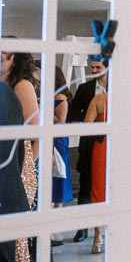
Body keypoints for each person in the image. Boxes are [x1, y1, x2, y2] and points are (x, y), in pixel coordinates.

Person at [1, 50, 40, 262]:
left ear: (15, 59)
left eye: (3, 56)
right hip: (6, 164)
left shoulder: (21, 85)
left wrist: (28, 164)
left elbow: (35, 129)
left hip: (19, 165)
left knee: (16, 242)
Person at [67, 57, 108, 241]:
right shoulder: (84, 89)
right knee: (85, 186)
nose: (93, 70)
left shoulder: (120, 89)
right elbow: (73, 112)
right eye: (92, 67)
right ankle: (83, 228)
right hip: (88, 144)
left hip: (109, 145)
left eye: (97, 67)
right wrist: (90, 114)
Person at [82, 83, 109, 253]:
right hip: (123, 148)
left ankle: (98, 236)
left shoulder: (100, 99)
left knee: (98, 190)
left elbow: (87, 126)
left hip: (102, 146)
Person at [51, 66, 74, 235]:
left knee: (59, 173)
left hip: (58, 139)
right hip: (53, 138)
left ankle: (57, 212)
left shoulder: (60, 97)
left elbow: (60, 120)